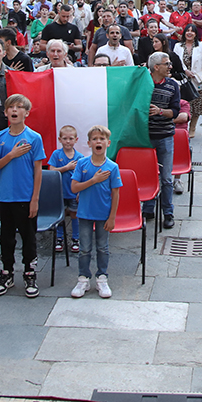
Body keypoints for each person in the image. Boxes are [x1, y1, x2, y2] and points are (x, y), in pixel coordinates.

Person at [0, 94, 45, 298]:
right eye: (11, 107)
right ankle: (7, 272)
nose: (14, 110)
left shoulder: (34, 138)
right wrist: (11, 155)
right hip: (5, 197)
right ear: (5, 113)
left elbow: (38, 170)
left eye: (19, 107)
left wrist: (35, 199)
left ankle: (29, 272)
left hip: (25, 196)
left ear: (26, 112)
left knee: (28, 237)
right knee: (7, 237)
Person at [70, 124, 123, 299]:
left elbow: (115, 193)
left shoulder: (112, 167)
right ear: (89, 143)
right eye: (94, 139)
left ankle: (102, 277)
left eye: (101, 139)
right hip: (84, 214)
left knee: (103, 247)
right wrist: (93, 180)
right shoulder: (82, 164)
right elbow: (74, 187)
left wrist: (112, 217)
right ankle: (83, 278)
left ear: (108, 143)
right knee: (84, 248)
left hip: (103, 215)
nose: (98, 141)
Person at [145, 52, 182, 229]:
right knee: (148, 175)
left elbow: (175, 111)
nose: (170, 67)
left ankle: (168, 212)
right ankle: (148, 208)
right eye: (167, 64)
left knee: (166, 178)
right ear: (156, 67)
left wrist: (160, 111)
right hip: (144, 137)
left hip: (165, 136)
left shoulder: (173, 85)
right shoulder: (143, 83)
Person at [48, 125, 83, 254]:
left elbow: (82, 176)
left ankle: (76, 238)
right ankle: (59, 238)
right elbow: (51, 170)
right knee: (60, 216)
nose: (68, 141)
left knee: (74, 215)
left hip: (73, 193)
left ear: (76, 140)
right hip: (59, 192)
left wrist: (80, 191)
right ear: (60, 139)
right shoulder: (56, 155)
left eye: (71, 138)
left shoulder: (79, 157)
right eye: (65, 138)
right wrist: (65, 168)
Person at [179, 26, 202, 135]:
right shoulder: (177, 46)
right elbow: (176, 62)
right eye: (187, 31)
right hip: (183, 80)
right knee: (184, 104)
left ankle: (193, 127)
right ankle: (185, 126)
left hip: (197, 79)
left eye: (192, 31)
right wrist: (185, 71)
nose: (189, 33)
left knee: (197, 105)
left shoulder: (201, 45)